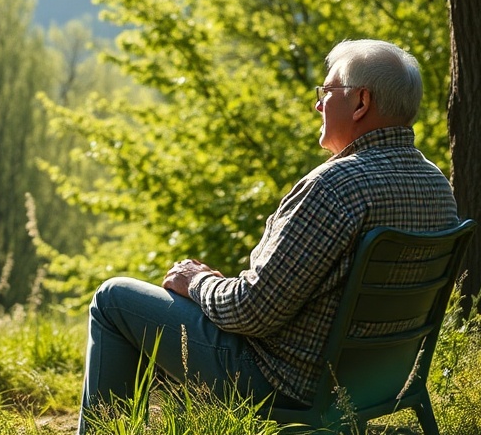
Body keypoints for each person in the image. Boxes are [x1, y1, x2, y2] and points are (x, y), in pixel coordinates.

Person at [78, 39, 459, 432]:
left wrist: (198, 281)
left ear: (361, 102)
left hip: (290, 384)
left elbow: (251, 311)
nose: (318, 104)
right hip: (380, 381)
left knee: (114, 300)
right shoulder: (437, 187)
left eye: (327, 92)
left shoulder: (335, 187)